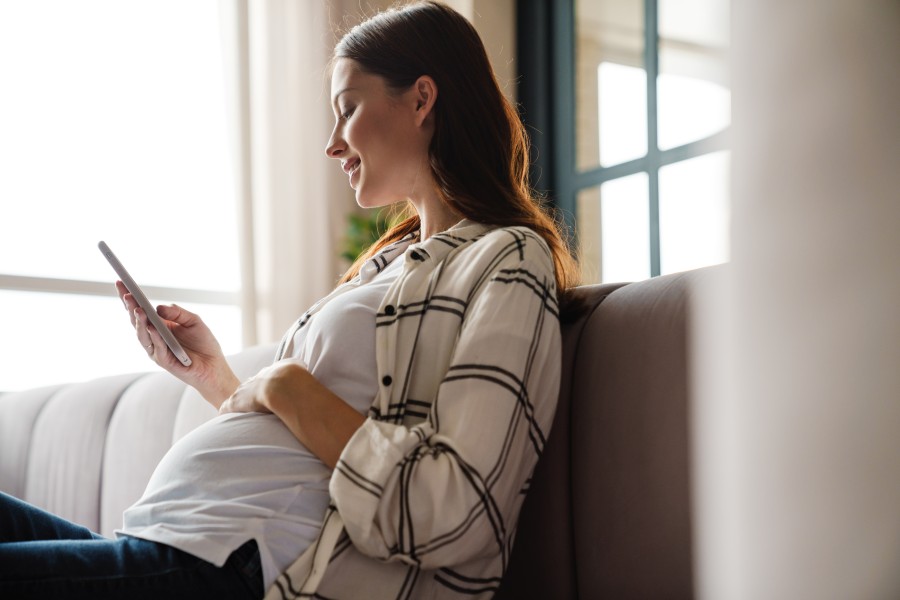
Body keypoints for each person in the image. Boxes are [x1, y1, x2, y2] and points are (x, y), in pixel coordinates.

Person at [0, 2, 580, 598]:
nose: (332, 144)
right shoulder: (384, 267)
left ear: (421, 98)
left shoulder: (507, 259)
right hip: (169, 543)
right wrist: (214, 378)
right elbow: (307, 446)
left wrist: (283, 385)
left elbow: (455, 512)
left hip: (235, 569)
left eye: (348, 108)